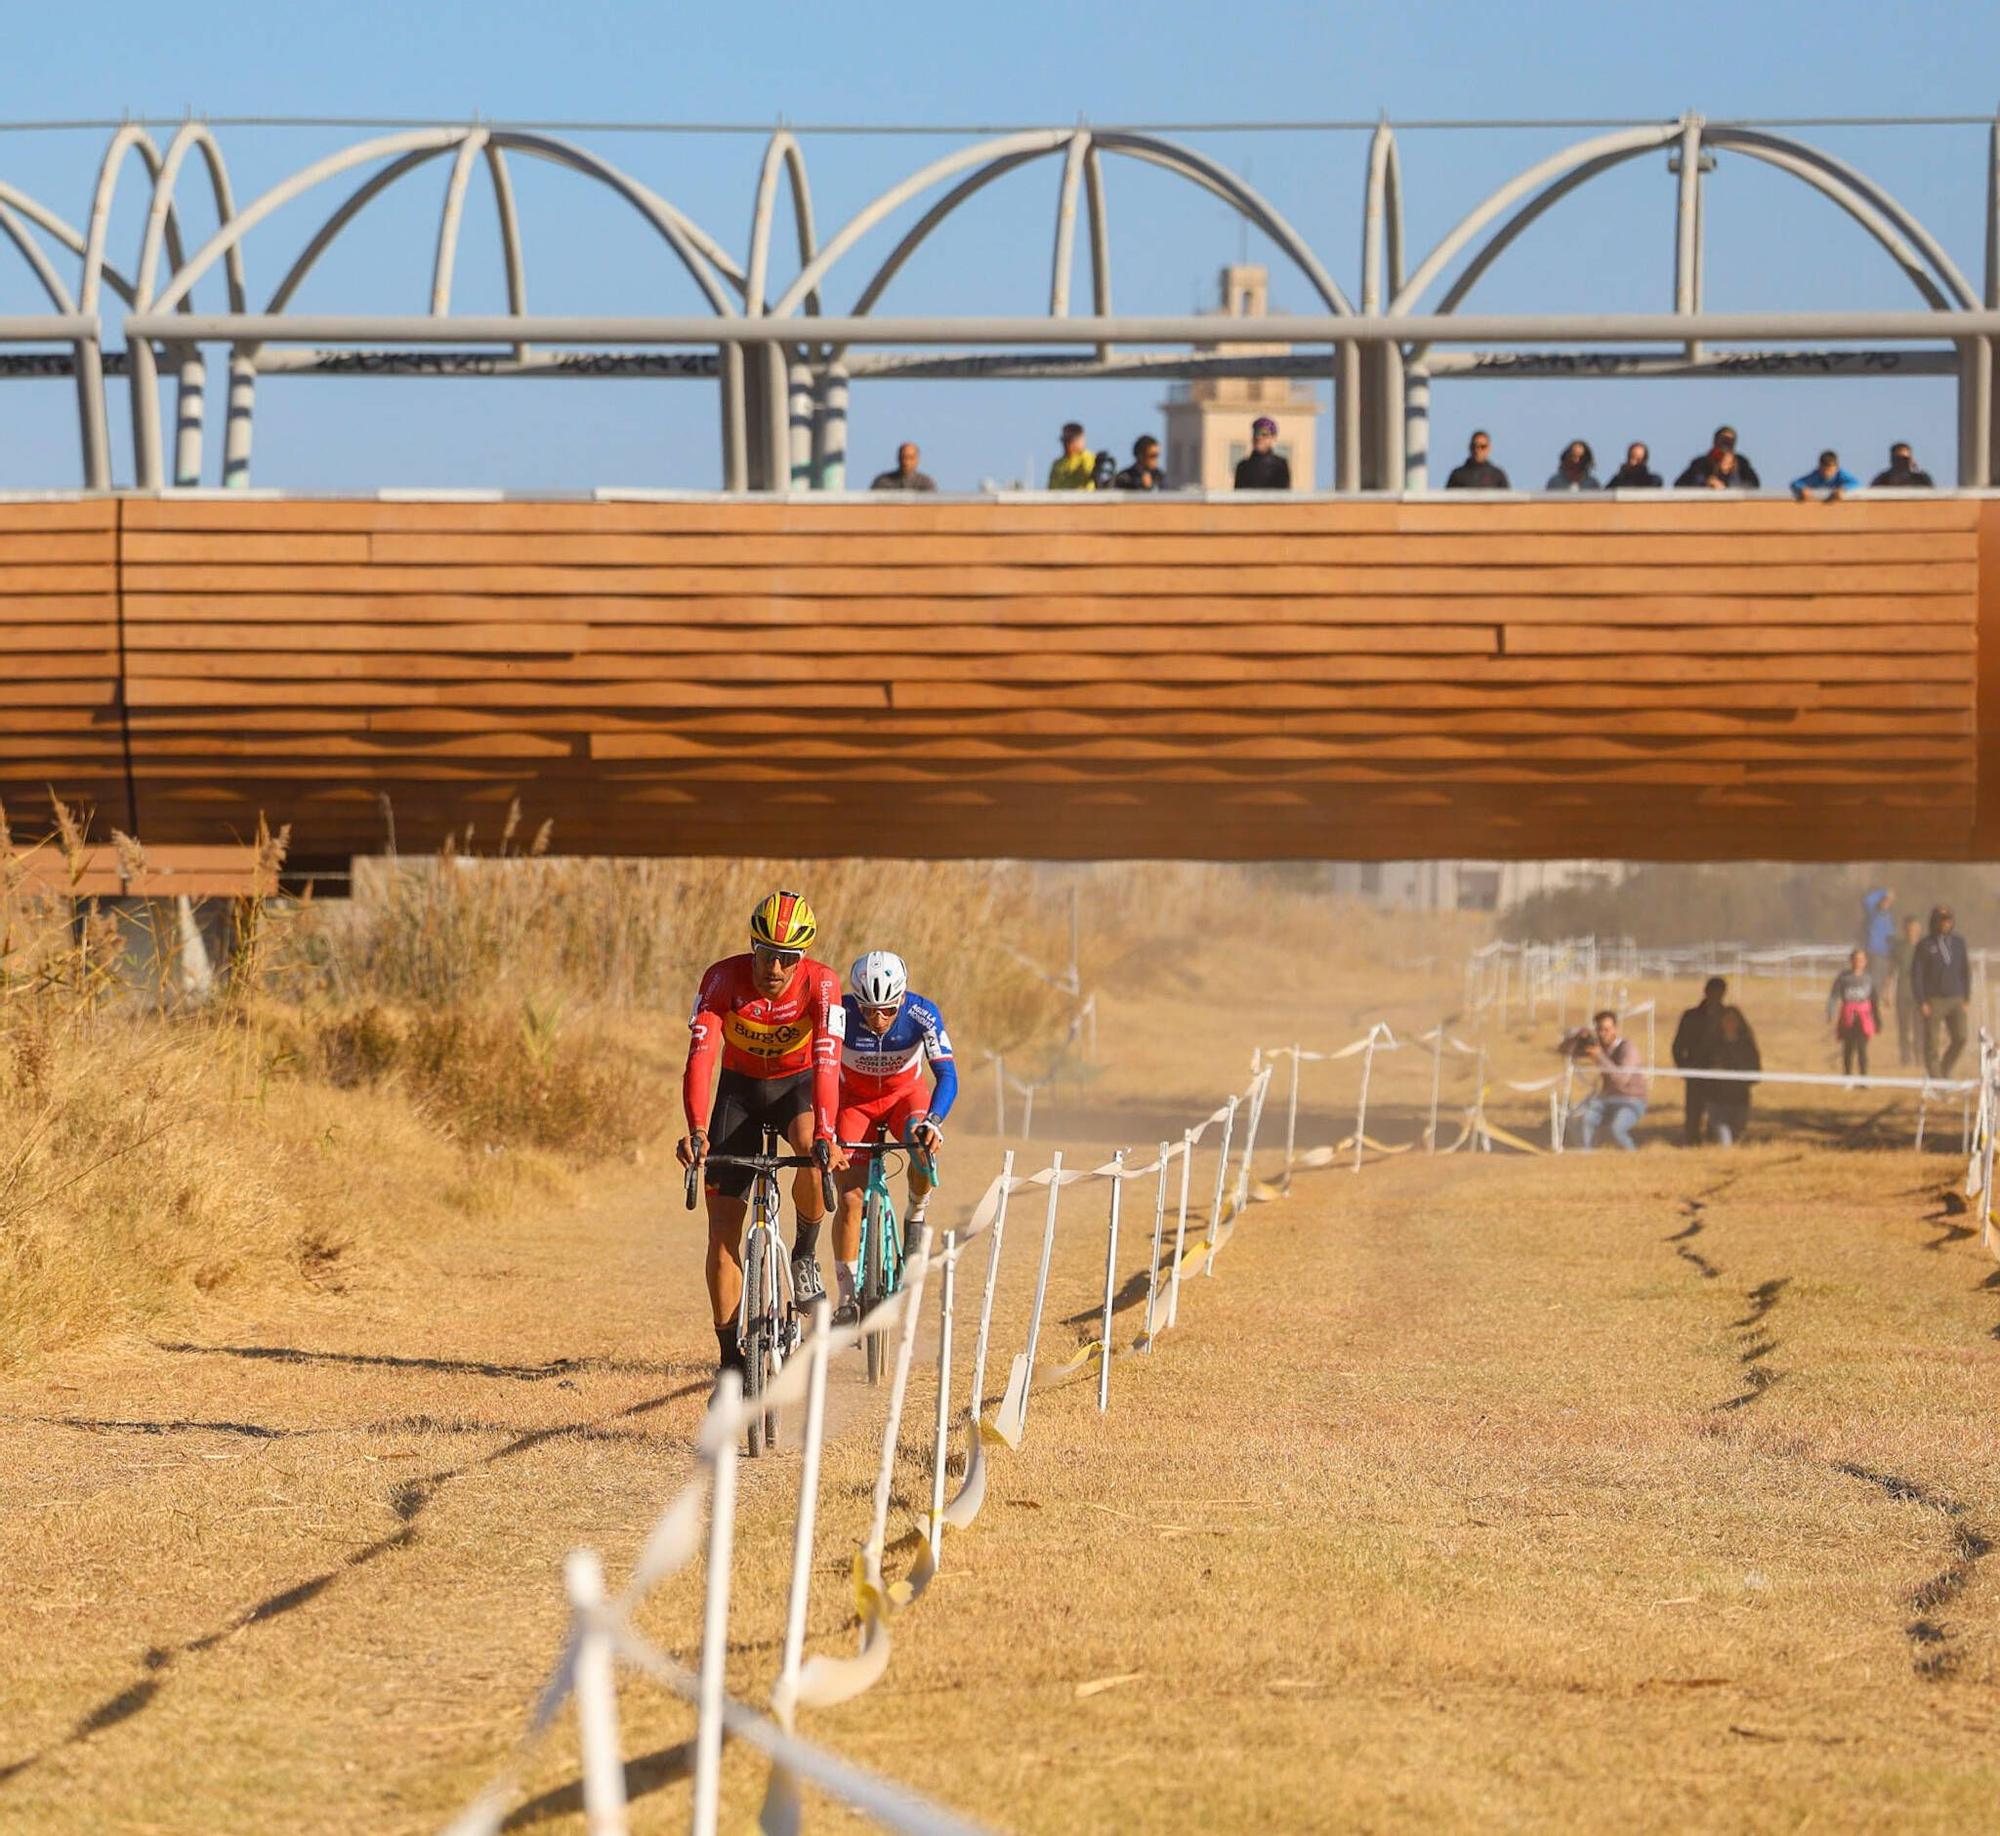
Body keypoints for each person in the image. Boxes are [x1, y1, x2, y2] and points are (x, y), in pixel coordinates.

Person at [676, 891, 850, 1382]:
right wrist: (694, 1128)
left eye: (787, 957)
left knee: (813, 1155)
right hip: (740, 1092)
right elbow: (702, 1057)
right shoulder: (721, 978)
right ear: (752, 946)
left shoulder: (823, 984)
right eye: (765, 952)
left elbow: (828, 1061)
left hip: (796, 1088)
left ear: (802, 957)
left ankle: (802, 1254)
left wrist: (826, 1132)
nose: (774, 967)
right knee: (722, 1233)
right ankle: (730, 1362)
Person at [831, 950, 958, 1326]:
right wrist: (826, 1130)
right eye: (869, 1009)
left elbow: (947, 1075)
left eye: (888, 1010)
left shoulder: (922, 1013)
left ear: (902, 997)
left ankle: (916, 1211)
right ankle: (847, 1297)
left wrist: (933, 1122)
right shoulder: (839, 1015)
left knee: (920, 1142)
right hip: (855, 1103)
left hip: (906, 1098)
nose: (879, 1019)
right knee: (850, 1199)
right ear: (856, 999)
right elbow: (818, 1072)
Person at [1567, 1009, 1648, 1151]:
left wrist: (1599, 1057)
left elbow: (1621, 1079)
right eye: (1599, 1029)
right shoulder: (1597, 1046)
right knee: (1585, 1120)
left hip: (1631, 1100)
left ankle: (1633, 1156)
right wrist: (1578, 1038)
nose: (1603, 1033)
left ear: (1616, 1029)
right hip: (1607, 1099)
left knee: (1616, 1129)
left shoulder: (1628, 1049)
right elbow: (1564, 1051)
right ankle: (1587, 1155)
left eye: (1607, 1029)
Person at [1913, 903, 1971, 1080]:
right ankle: (1937, 1080)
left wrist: (1966, 997)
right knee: (1932, 1043)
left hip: (1956, 997)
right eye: (1941, 920)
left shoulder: (1959, 943)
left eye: (1948, 920)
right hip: (1934, 1000)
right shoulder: (1924, 945)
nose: (1945, 923)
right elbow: (1917, 975)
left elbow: (1965, 971)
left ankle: (1944, 1069)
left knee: (1961, 1037)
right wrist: (1922, 1001)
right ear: (1934, 921)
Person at [1671, 976, 1730, 1145]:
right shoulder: (1691, 1016)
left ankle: (1714, 1143)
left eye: (1720, 992)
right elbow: (1678, 1045)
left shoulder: (1728, 1016)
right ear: (1706, 991)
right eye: (1713, 991)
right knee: (1694, 1113)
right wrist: (1684, 1069)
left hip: (1719, 1075)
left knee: (1717, 1113)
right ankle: (1692, 1143)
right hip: (1695, 1073)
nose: (1716, 995)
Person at [1704, 1007, 1762, 1147]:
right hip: (1716, 1099)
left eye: (1733, 1019)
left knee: (1737, 1138)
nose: (1729, 1023)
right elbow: (1704, 1067)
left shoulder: (1746, 1045)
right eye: (1726, 1019)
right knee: (1725, 1140)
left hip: (1739, 1099)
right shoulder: (1713, 1044)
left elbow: (1755, 1071)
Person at [1827, 947, 1883, 1081]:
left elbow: (1874, 1001)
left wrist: (1877, 1020)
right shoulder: (1843, 977)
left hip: (1864, 1018)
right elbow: (1834, 996)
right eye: (1856, 959)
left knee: (1862, 1050)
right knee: (1848, 1049)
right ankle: (1847, 1079)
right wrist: (1831, 1012)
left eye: (1861, 960)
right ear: (1851, 961)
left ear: (1865, 962)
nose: (1858, 962)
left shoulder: (1869, 978)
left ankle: (1863, 1080)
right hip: (1848, 1017)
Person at [1677, 425, 1761, 489]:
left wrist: (1727, 487)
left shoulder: (1741, 463)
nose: (1726, 445)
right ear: (1715, 442)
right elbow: (1680, 485)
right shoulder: (1699, 463)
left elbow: (1754, 484)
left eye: (1729, 442)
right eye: (1723, 441)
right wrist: (1705, 484)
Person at [1890, 912, 1924, 1066]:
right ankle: (1905, 1057)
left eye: (1914, 928)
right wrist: (1887, 992)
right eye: (1909, 929)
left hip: (1921, 994)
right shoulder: (1898, 948)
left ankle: (1920, 1056)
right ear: (1904, 930)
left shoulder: (1925, 947)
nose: (1911, 931)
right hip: (1903, 992)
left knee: (1920, 1027)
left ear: (1919, 929)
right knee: (1904, 1027)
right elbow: (1891, 971)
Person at [1233, 416, 1291, 490]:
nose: (1259, 438)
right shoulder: (1243, 467)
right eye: (1256, 433)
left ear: (1273, 438)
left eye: (1264, 434)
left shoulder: (1280, 465)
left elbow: (1283, 495)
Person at [1446, 430, 1510, 490]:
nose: (1478, 450)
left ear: (1489, 448)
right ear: (1470, 447)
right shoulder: (1457, 475)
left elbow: (1508, 499)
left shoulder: (1497, 475)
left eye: (1483, 446)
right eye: (1475, 446)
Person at [1791, 450, 1859, 503]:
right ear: (1819, 468)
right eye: (1824, 470)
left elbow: (1855, 482)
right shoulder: (1815, 476)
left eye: (1830, 470)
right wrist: (1802, 489)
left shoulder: (1841, 474)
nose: (1827, 473)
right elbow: (1795, 483)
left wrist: (1843, 489)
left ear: (1837, 468)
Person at [1859, 886, 1896, 983]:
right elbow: (1867, 900)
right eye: (1884, 900)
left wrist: (1891, 953)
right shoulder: (1873, 913)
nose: (1886, 903)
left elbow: (1890, 937)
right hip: (1872, 953)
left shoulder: (1889, 917)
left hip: (1884, 955)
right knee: (1870, 981)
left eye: (1888, 901)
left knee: (1880, 983)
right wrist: (1884, 892)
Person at [1047, 423, 1096, 490]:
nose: (1066, 445)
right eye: (1064, 441)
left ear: (1080, 440)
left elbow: (1090, 475)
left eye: (1070, 441)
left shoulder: (1088, 458)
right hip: (1059, 499)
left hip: (1083, 499)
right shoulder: (1057, 464)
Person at [870, 443, 937, 491]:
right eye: (904, 457)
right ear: (898, 458)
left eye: (911, 458)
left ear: (917, 460)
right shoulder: (883, 482)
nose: (906, 462)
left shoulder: (925, 483)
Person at [1870, 442, 1934, 489]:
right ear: (1892, 460)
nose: (1902, 462)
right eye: (1898, 459)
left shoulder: (1921, 479)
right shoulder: (1882, 479)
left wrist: (1917, 470)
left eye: (1905, 459)